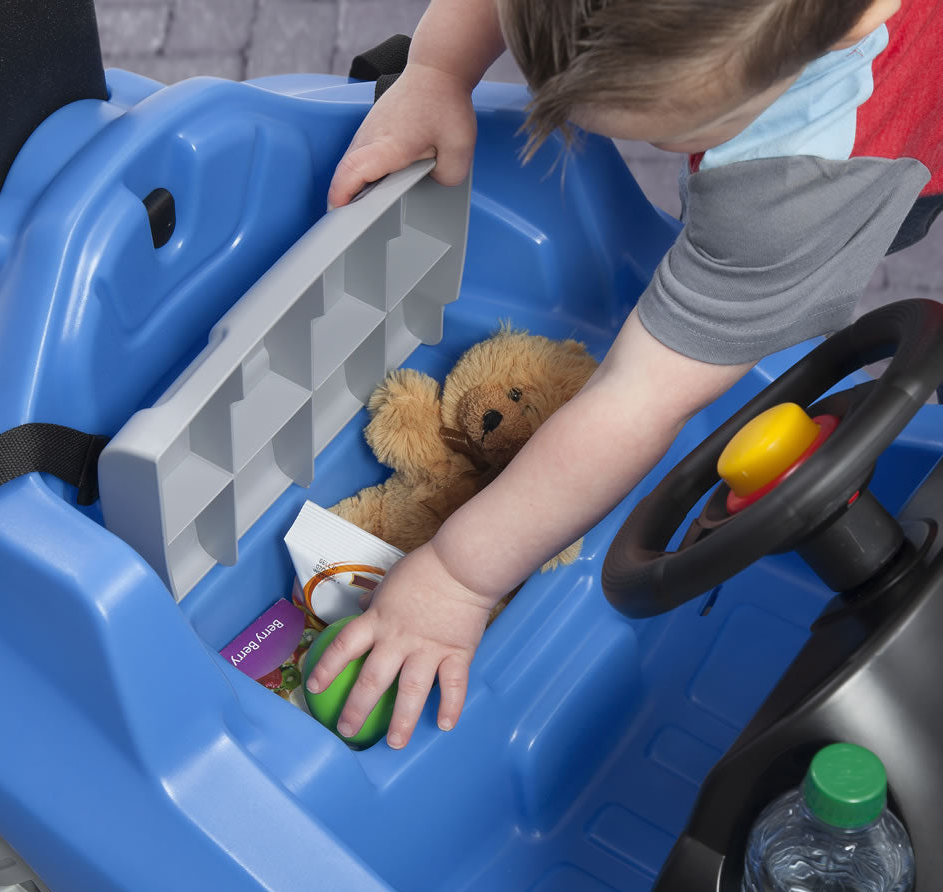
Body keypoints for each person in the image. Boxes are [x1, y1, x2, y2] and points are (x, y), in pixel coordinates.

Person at [308, 0, 943, 749]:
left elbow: (637, 398)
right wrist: (437, 70)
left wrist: (457, 575)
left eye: (668, 132)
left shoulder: (791, 194)